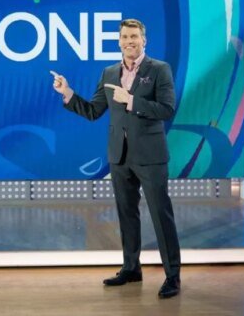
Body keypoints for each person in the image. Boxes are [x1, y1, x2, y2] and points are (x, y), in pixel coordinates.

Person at [51, 18, 181, 299]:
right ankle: (131, 268)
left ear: (144, 40)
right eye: (124, 37)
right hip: (119, 156)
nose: (129, 41)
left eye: (134, 36)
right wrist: (68, 93)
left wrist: (131, 100)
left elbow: (167, 109)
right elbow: (94, 111)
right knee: (126, 215)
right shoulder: (109, 72)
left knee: (161, 215)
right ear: (119, 41)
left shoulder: (159, 69)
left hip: (150, 155)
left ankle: (172, 276)